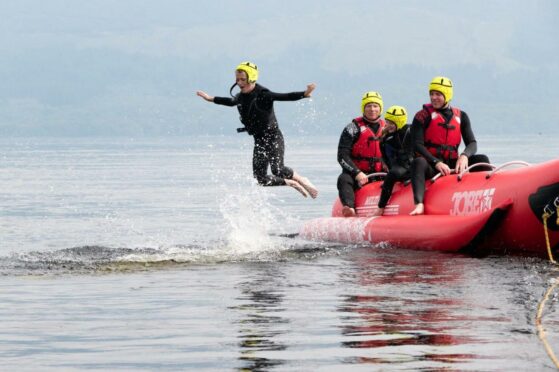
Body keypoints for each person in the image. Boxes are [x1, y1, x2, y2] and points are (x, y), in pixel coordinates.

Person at [196, 61, 318, 198]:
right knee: (260, 179)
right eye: (237, 79)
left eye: (243, 79)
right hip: (259, 140)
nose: (239, 83)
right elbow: (230, 102)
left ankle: (301, 179)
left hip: (273, 137)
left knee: (277, 169)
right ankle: (291, 183)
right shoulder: (240, 97)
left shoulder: (263, 94)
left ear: (251, 78)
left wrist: (305, 93)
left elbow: (284, 96)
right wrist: (210, 98)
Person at [409, 76, 490, 215]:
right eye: (431, 94)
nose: (434, 97)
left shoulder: (461, 116)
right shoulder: (422, 116)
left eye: (438, 94)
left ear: (447, 95)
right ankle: (419, 204)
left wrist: (464, 156)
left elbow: (472, 143)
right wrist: (436, 162)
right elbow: (417, 145)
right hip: (431, 166)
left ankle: (487, 195)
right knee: (418, 162)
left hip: (453, 164)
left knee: (482, 159)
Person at [337, 92, 386, 217]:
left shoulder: (388, 127)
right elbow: (342, 156)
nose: (372, 109)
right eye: (368, 106)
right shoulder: (352, 128)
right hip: (358, 174)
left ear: (380, 108)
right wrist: (357, 173)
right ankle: (349, 207)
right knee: (343, 179)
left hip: (382, 174)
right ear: (363, 108)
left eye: (375, 106)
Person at [373, 105, 412, 216]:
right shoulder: (385, 139)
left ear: (399, 122)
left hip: (412, 167)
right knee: (392, 173)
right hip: (399, 169)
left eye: (391, 123)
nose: (388, 125)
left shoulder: (410, 131)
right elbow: (386, 159)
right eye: (387, 122)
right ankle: (381, 207)